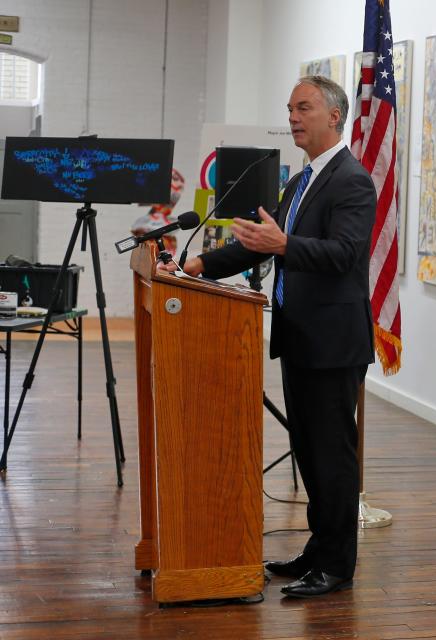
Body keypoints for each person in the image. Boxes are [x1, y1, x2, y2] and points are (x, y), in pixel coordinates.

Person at [159, 75, 376, 598]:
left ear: (334, 116)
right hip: (299, 336)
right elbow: (261, 245)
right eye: (290, 109)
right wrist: (195, 266)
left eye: (303, 108)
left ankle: (337, 566)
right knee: (307, 448)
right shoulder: (302, 181)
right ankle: (317, 550)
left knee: (331, 454)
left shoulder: (352, 180)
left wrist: (284, 244)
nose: (293, 118)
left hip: (331, 341)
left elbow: (345, 254)